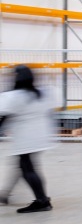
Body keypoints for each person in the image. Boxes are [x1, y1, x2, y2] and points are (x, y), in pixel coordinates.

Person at [0, 65, 56, 213]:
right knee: (23, 165)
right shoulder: (42, 94)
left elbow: (5, 116)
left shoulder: (15, 96)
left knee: (27, 168)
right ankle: (4, 195)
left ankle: (42, 201)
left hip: (25, 138)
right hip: (40, 135)